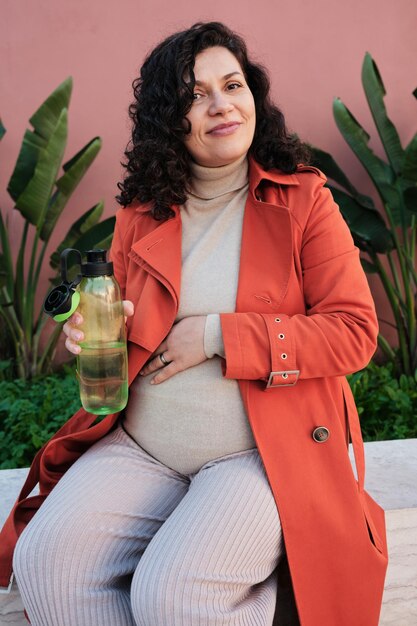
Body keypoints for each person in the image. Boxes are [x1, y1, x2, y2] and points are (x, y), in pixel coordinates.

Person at [0, 21, 388, 626]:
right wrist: (92, 331)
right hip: (144, 448)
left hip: (257, 453)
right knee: (48, 562)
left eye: (232, 84)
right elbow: (124, 318)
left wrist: (216, 334)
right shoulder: (141, 213)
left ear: (253, 93)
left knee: (173, 594)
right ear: (169, 119)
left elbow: (355, 331)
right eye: (193, 94)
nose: (220, 105)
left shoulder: (304, 199)